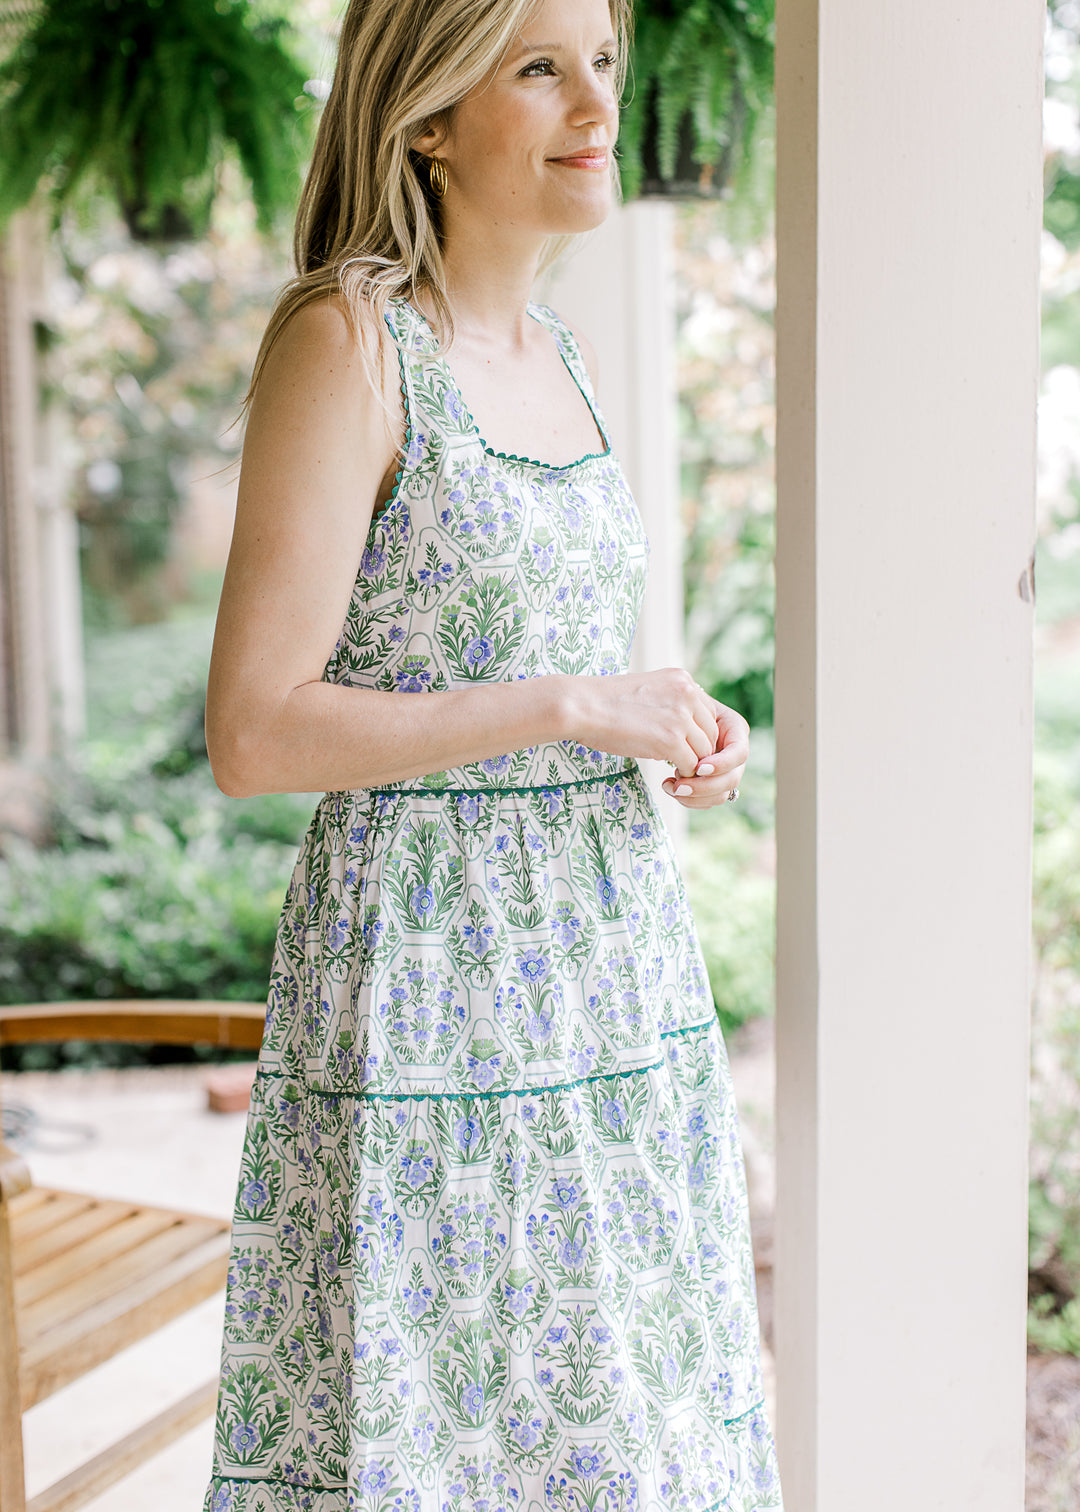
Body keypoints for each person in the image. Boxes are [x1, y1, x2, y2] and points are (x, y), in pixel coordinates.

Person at [202, 0, 783, 1507]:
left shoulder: (560, 355)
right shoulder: (349, 341)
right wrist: (576, 705)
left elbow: (539, 656)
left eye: (602, 62)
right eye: (541, 67)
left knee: (633, 1414)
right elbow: (258, 730)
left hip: (613, 977)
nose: (595, 100)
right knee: (453, 1429)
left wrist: (674, 724)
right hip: (432, 993)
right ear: (428, 115)